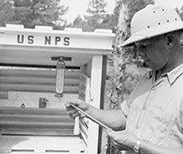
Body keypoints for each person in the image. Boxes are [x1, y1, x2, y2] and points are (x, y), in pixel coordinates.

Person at [65, 4, 183, 154]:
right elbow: (124, 117)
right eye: (137, 47)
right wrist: (88, 110)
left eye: (144, 46)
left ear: (170, 40)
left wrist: (138, 145)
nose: (139, 54)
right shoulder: (148, 79)